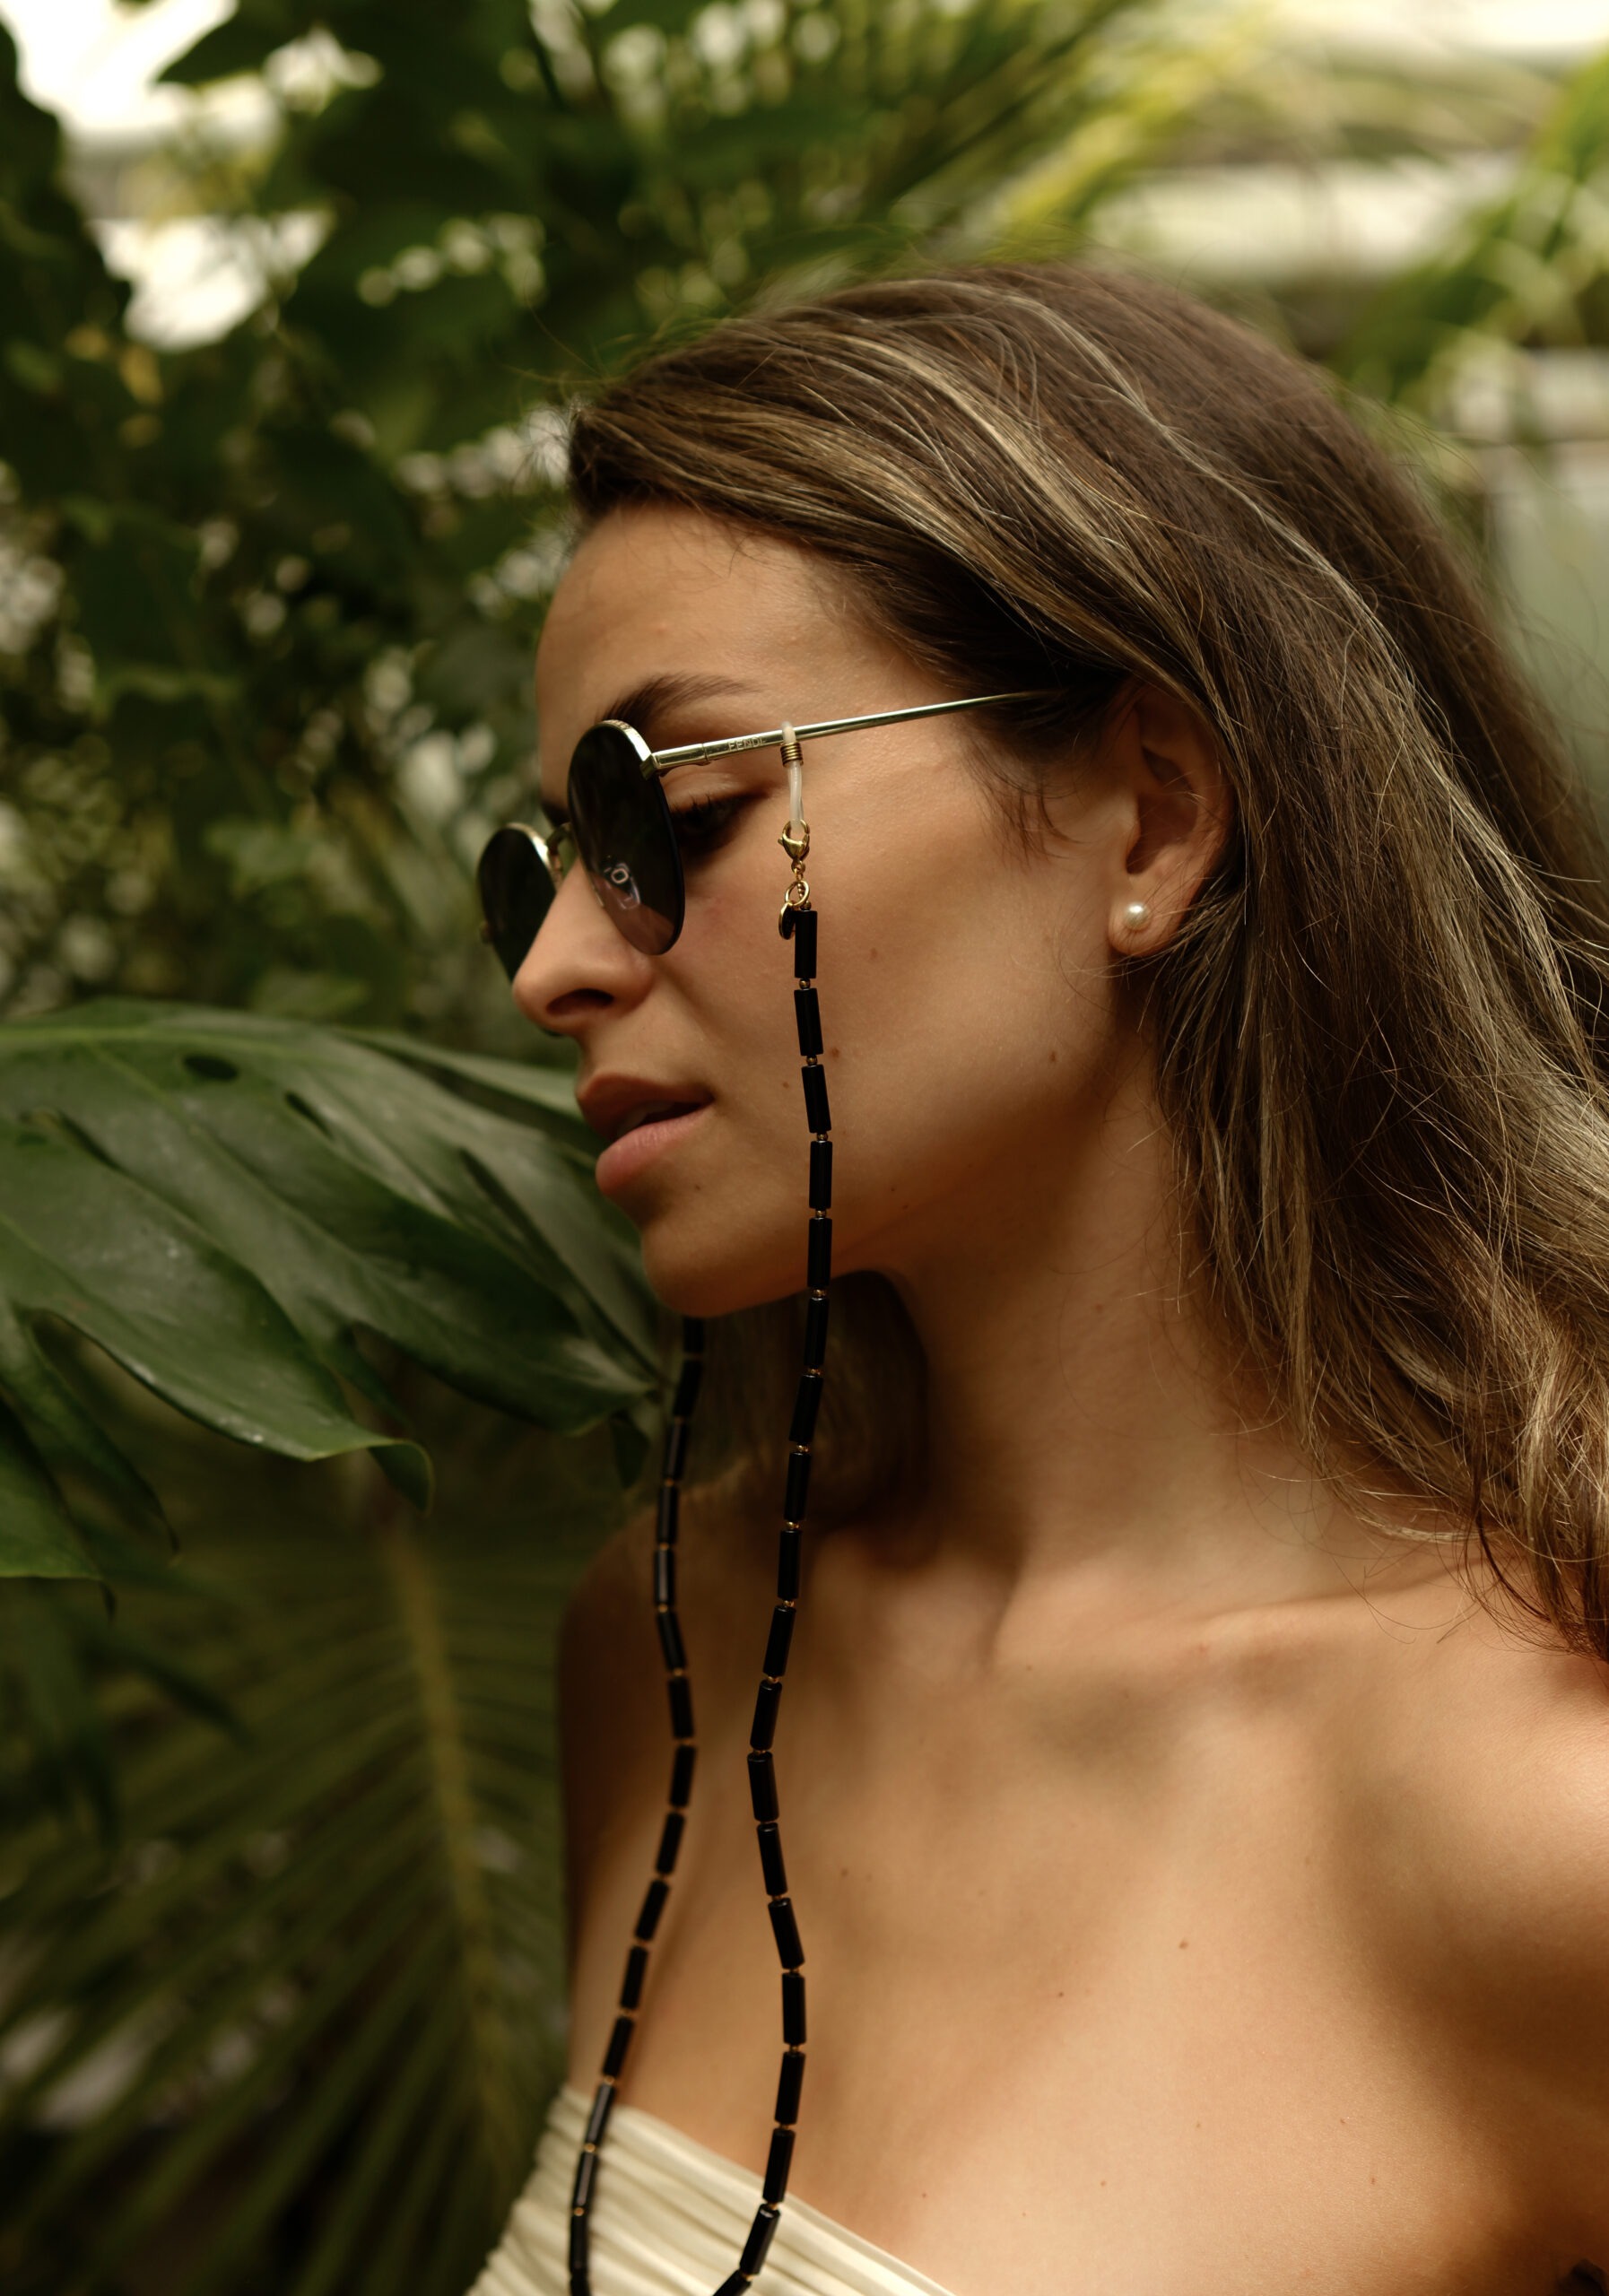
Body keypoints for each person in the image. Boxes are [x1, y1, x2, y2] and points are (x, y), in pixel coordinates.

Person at [469, 264, 1609, 2296]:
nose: (556, 964)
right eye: (542, 864)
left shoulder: (1540, 1817)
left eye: (673, 816)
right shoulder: (675, 1647)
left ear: (1150, 813)